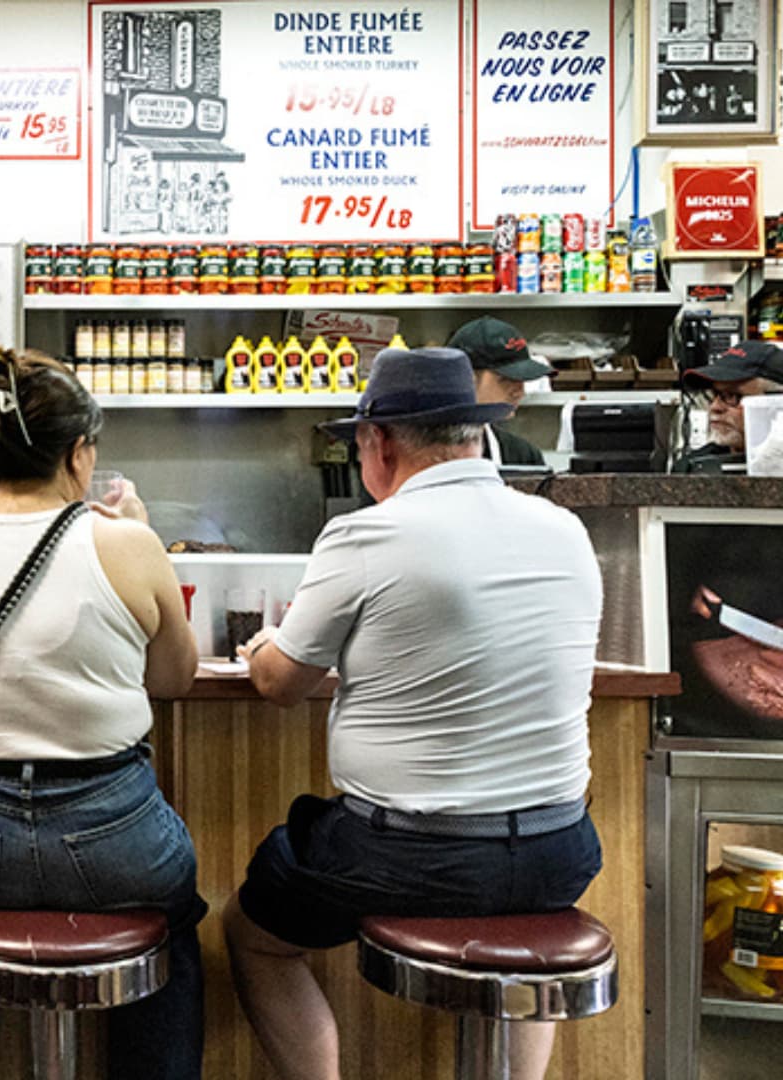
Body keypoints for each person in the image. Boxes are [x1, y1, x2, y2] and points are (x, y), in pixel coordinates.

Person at [222, 347, 604, 1080]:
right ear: (475, 437)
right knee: (519, 968)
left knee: (253, 929)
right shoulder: (562, 528)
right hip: (560, 852)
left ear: (379, 444)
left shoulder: (367, 533)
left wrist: (265, 643)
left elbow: (280, 683)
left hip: (407, 859)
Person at [0, 349, 204, 1080]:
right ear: (79, 453)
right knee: (175, 930)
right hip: (116, 834)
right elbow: (175, 679)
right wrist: (140, 538)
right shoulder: (129, 543)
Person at [447, 315, 549, 466]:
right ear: (466, 378)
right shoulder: (424, 455)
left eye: (523, 379)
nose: (520, 392)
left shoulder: (523, 456)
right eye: (506, 379)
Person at [673, 340, 783, 473]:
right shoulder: (692, 468)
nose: (715, 407)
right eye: (714, 394)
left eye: (731, 396)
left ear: (775, 404)